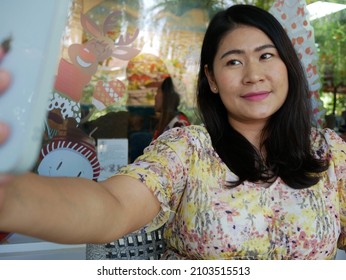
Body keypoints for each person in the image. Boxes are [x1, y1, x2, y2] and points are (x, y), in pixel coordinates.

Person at [0, 4, 345, 260]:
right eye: (234, 61)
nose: (253, 74)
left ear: (287, 65)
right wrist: (11, 197)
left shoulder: (330, 153)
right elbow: (114, 204)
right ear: (211, 79)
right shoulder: (188, 147)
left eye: (266, 56)